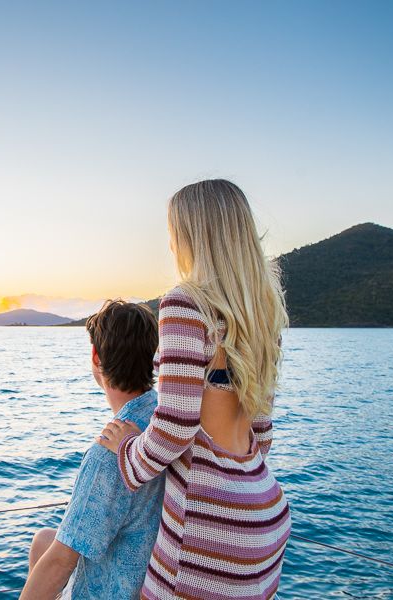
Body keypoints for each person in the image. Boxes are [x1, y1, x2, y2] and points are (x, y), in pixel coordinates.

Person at [98, 179, 291, 600]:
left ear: (192, 237)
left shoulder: (185, 304)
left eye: (174, 235)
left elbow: (174, 427)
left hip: (209, 528)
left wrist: (128, 450)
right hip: (265, 515)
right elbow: (262, 433)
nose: (171, 247)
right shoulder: (262, 316)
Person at [20, 300, 165, 599]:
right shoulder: (166, 422)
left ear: (96, 357)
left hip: (116, 590)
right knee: (43, 539)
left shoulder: (107, 455)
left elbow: (62, 561)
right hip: (151, 574)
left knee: (54, 553)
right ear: (152, 358)